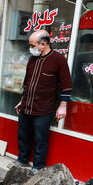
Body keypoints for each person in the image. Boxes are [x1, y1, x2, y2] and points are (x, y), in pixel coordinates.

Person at [14, 30, 72, 173]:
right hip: (27, 105)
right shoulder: (32, 59)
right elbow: (27, 82)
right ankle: (22, 159)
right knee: (23, 135)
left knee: (40, 139)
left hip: (43, 108)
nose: (30, 48)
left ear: (44, 44)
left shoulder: (58, 60)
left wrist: (62, 106)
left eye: (32, 45)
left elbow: (66, 85)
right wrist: (22, 100)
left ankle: (38, 166)